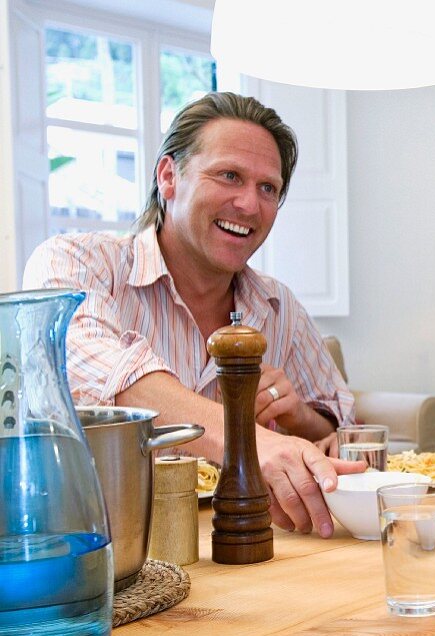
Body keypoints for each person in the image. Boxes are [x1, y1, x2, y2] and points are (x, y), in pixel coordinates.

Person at [23, 92, 360, 539]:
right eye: (229, 176)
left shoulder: (279, 307)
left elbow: (346, 430)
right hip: (110, 545)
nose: (249, 205)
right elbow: (98, 371)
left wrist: (297, 417)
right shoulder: (77, 262)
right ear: (168, 176)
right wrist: (250, 441)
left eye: (268, 188)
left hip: (257, 550)